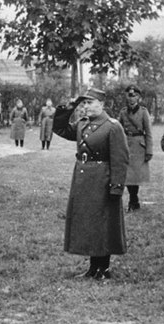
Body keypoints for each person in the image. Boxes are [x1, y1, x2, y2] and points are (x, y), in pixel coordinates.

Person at [53, 88, 129, 280]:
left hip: (102, 179)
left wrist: (116, 186)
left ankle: (103, 267)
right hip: (84, 179)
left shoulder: (112, 126)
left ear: (102, 104)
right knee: (89, 223)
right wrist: (69, 107)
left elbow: (120, 159)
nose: (85, 107)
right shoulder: (82, 124)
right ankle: (93, 267)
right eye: (84, 103)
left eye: (90, 102)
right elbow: (60, 128)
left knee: (103, 222)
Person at [118, 85, 153, 211]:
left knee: (135, 175)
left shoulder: (143, 112)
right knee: (128, 175)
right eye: (129, 96)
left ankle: (134, 200)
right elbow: (119, 129)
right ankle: (134, 200)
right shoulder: (123, 112)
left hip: (139, 146)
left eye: (134, 96)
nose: (131, 99)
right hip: (126, 144)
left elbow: (148, 132)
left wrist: (149, 150)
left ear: (139, 98)